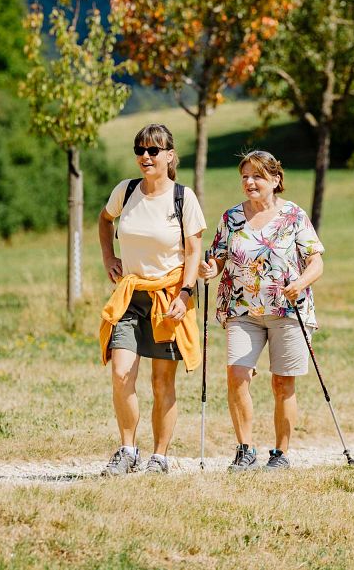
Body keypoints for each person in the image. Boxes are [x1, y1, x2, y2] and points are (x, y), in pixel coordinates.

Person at [199, 150, 324, 471]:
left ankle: (281, 454)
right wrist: (210, 269)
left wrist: (300, 283)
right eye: (245, 177)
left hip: (287, 310)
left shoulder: (294, 215)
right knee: (237, 376)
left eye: (257, 176)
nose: (250, 182)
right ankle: (246, 450)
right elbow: (218, 258)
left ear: (275, 179)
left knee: (283, 383)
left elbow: (316, 262)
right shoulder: (231, 218)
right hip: (242, 309)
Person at [96, 124, 205, 475]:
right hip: (130, 296)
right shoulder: (126, 191)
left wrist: (186, 293)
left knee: (162, 382)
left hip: (168, 298)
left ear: (169, 156)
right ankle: (128, 450)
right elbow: (104, 219)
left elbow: (194, 251)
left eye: (153, 150)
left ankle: (159, 456)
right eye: (140, 149)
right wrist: (108, 257)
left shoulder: (183, 198)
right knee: (120, 373)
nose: (145, 156)